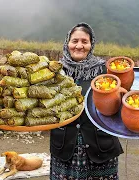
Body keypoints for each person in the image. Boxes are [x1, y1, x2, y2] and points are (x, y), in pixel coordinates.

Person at [50, 22, 124, 180]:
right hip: (64, 148)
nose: (79, 46)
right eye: (74, 41)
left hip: (101, 147)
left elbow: (121, 98)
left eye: (85, 41)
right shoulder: (54, 71)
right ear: (67, 43)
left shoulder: (104, 70)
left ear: (92, 44)